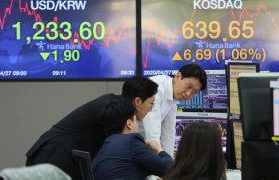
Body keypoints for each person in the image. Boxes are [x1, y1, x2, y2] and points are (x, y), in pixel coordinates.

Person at [25, 76, 158, 180]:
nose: (150, 109)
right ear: (138, 101)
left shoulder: (114, 104)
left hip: (61, 159)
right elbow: (120, 151)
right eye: (151, 104)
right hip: (54, 157)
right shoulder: (114, 109)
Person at [92, 96, 173, 179]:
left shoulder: (106, 145)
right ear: (129, 124)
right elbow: (171, 170)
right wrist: (159, 149)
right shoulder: (131, 142)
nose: (137, 125)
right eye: (135, 120)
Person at [140, 64, 207, 157]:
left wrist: (169, 165)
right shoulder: (155, 88)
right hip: (125, 141)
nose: (188, 94)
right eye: (188, 86)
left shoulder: (174, 97)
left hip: (141, 143)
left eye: (194, 92)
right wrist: (161, 164)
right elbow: (152, 136)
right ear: (178, 76)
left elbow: (168, 134)